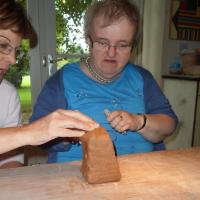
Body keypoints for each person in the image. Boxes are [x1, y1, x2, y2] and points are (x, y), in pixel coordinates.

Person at [30, 0, 178, 163]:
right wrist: (69, 135)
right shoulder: (61, 81)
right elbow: (37, 133)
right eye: (102, 42)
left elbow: (169, 124)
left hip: (141, 172)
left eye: (122, 45)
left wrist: (138, 121)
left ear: (133, 46)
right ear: (88, 40)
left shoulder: (143, 78)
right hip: (76, 175)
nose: (112, 52)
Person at [0, 0, 99, 160]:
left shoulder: (8, 95)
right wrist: (29, 132)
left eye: (15, 50)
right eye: (3, 45)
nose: (12, 59)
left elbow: (10, 163)